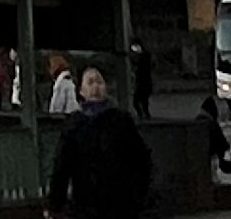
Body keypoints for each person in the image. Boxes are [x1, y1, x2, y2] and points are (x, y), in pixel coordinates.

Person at [45, 63, 156, 219]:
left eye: (99, 82)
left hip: (120, 203)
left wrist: (138, 196)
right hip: (85, 203)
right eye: (90, 82)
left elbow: (140, 159)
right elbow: (62, 167)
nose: (95, 87)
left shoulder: (121, 120)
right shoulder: (74, 125)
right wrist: (55, 204)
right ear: (81, 91)